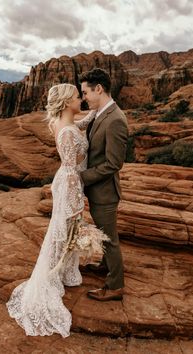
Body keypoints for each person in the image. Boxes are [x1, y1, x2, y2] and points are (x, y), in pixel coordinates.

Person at [6, 83, 94, 337]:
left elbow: (78, 126)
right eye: (78, 97)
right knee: (65, 230)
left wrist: (93, 115)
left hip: (66, 182)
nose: (82, 100)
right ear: (67, 102)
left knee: (64, 232)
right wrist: (76, 204)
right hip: (68, 185)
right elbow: (69, 169)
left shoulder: (62, 123)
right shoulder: (66, 131)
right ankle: (54, 275)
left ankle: (64, 272)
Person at [79, 68, 129, 301]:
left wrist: (82, 177)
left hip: (106, 193)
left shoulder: (116, 120)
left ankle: (115, 286)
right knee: (105, 235)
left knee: (110, 239)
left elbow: (113, 164)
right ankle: (105, 266)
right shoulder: (101, 113)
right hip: (98, 190)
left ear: (98, 89)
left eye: (85, 92)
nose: (84, 97)